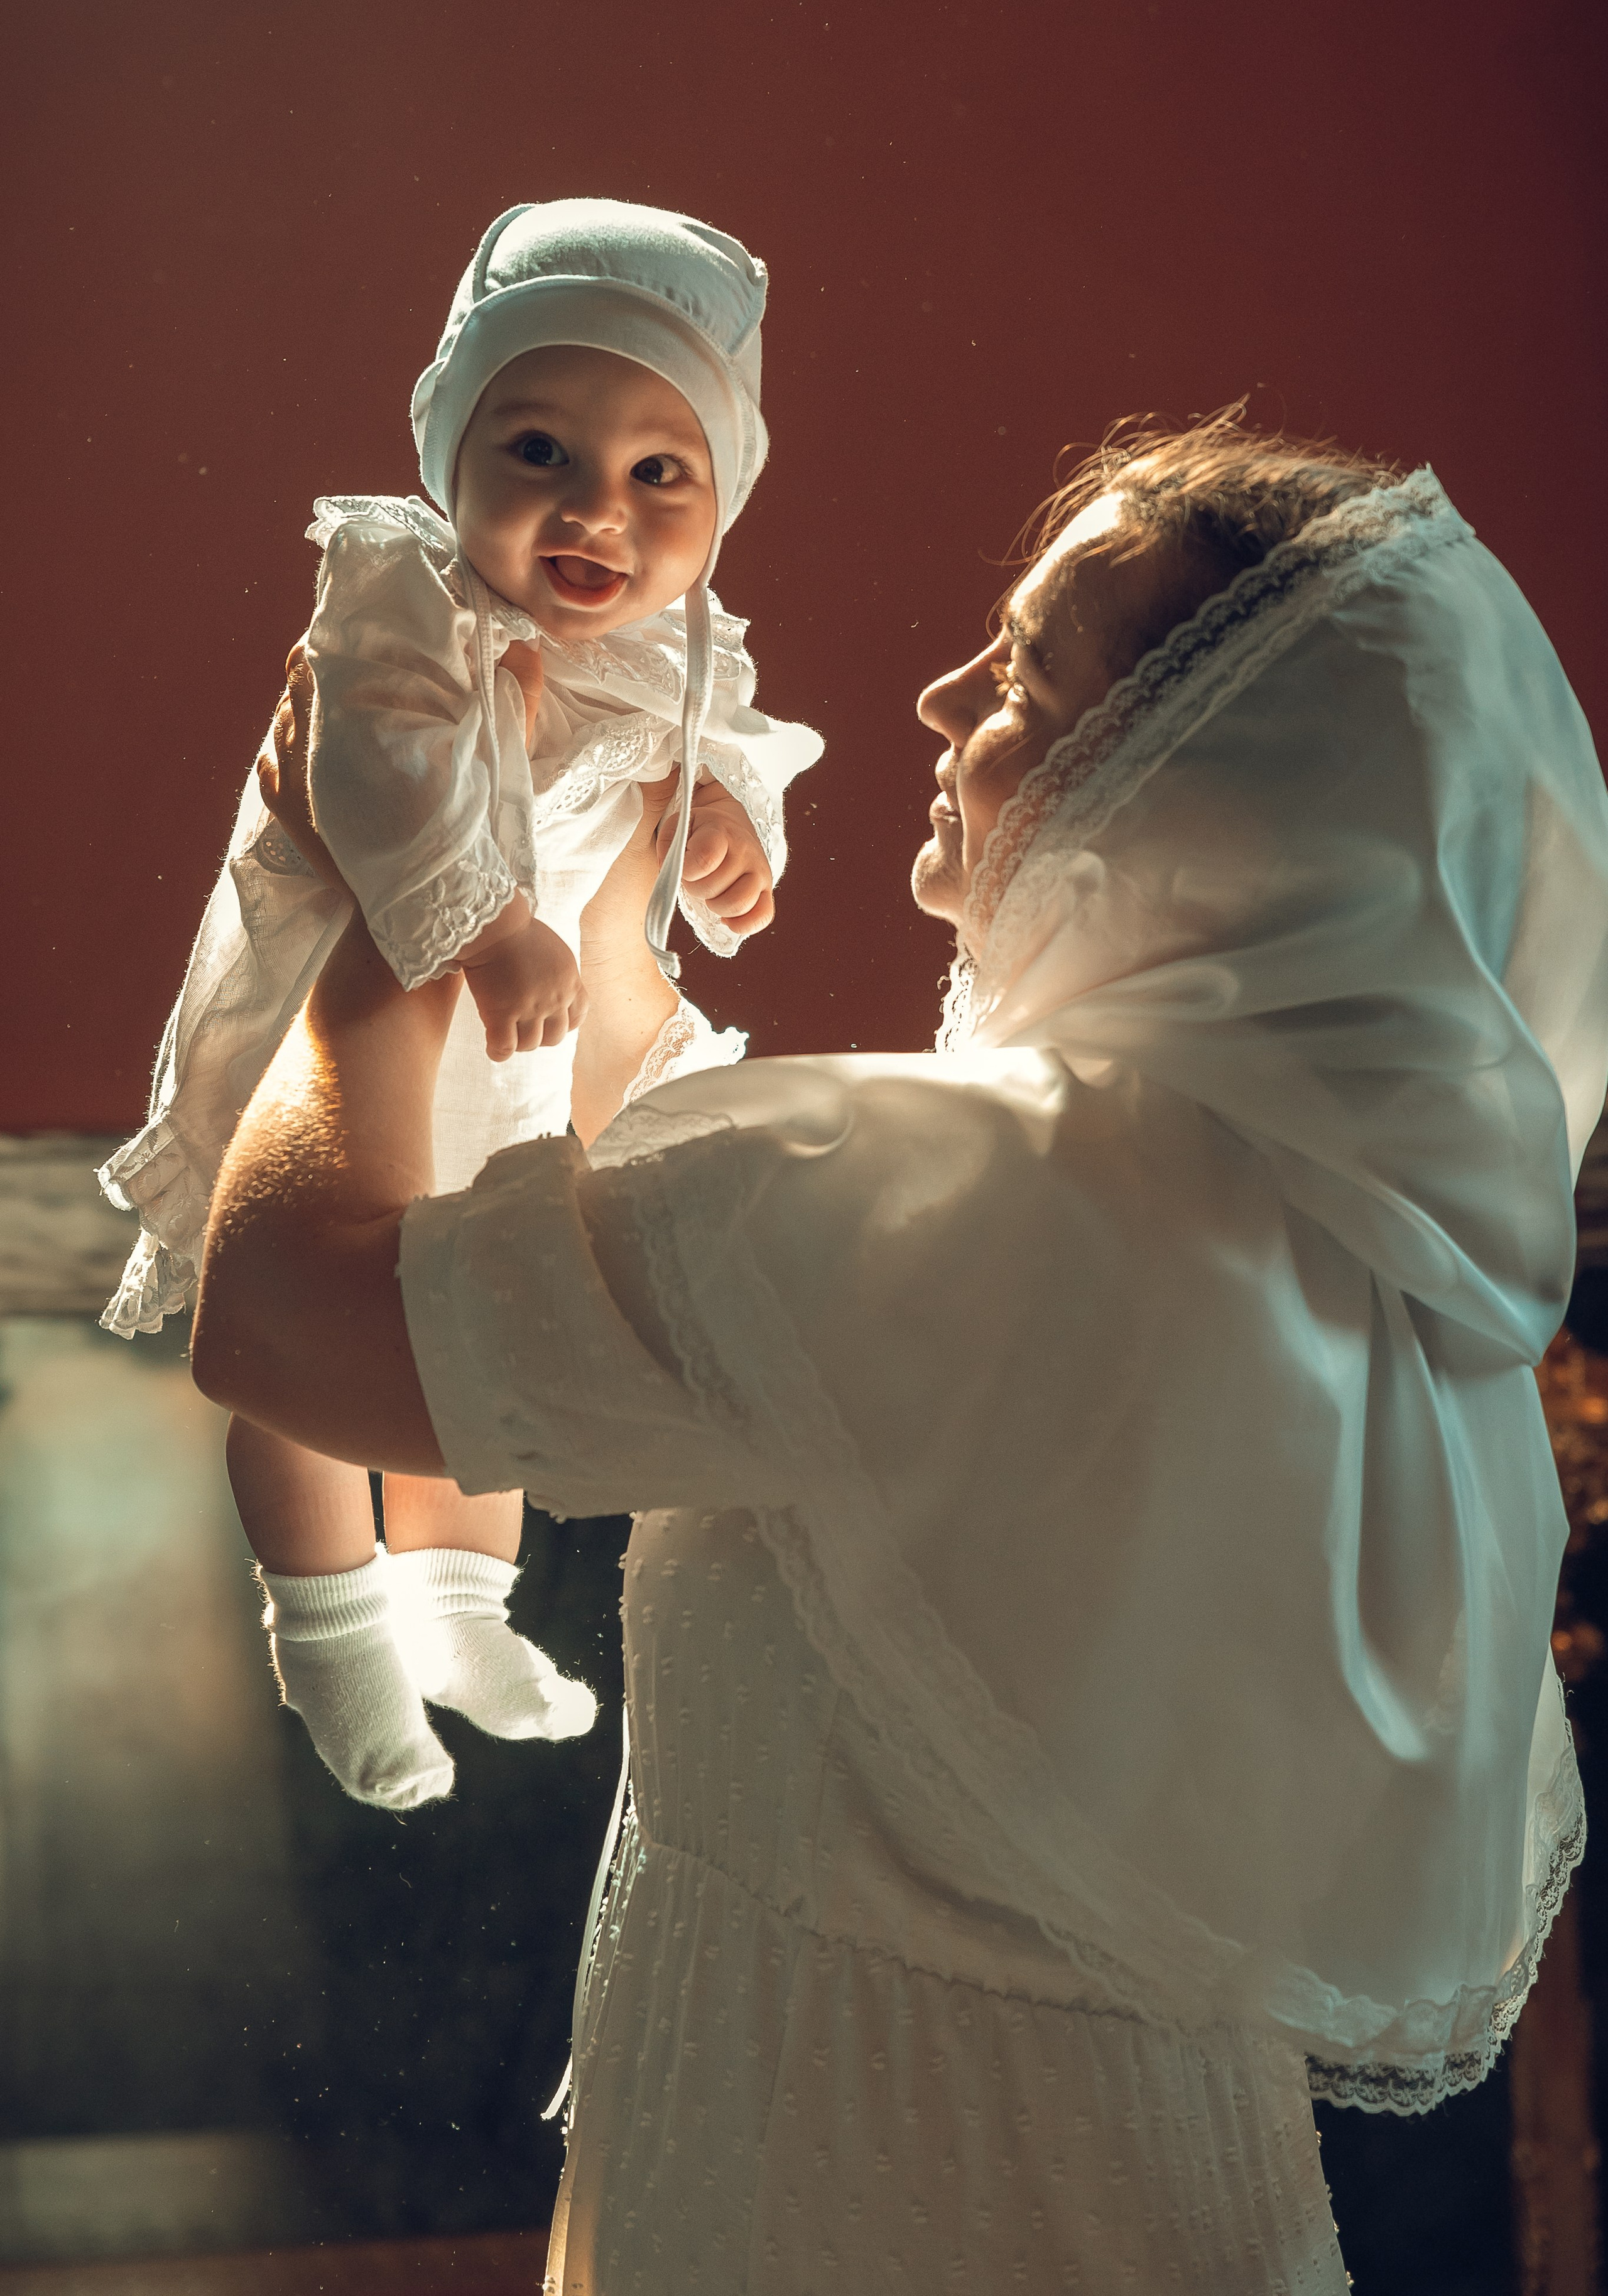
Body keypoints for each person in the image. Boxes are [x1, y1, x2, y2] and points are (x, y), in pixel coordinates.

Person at [192, 418, 1608, 2290]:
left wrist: (386, 893)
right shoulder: (1352, 1257)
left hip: (847, 2189)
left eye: (1022, 671)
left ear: (1198, 795)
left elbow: (281, 1314)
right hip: (1164, 2193)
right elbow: (656, 1236)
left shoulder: (954, 1201)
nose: (942, 696)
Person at [99, 199, 821, 1809]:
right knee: (298, 1373)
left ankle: (461, 1613)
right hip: (352, 1015)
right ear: (451, 451)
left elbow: (725, 762)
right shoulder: (400, 601)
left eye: (659, 475)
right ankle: (331, 1625)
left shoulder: (679, 654)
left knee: (457, 1350)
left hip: (524, 1052)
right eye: (541, 450)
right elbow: (383, 772)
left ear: (720, 505)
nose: (596, 511)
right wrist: (485, 926)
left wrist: (724, 831)